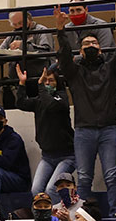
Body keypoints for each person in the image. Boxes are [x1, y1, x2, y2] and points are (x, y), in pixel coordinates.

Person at [55, 3, 116, 213]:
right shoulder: (74, 72)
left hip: (108, 129)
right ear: (80, 50)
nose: (90, 46)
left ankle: (115, 210)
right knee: (85, 177)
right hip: (84, 130)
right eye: (86, 43)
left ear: (100, 48)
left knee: (112, 175)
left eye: (94, 43)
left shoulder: (110, 68)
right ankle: (85, 214)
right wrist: (60, 30)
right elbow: (63, 55)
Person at [16, 65, 77, 201]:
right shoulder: (39, 101)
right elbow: (21, 103)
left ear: (57, 83)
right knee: (36, 190)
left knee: (51, 189)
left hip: (67, 156)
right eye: (45, 81)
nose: (47, 83)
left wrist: (40, 86)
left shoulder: (62, 99)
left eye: (51, 80)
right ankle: (43, 218)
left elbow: (50, 105)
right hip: (47, 156)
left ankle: (57, 219)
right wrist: (22, 83)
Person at [0, 11, 55, 106]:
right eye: (15, 24)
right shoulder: (13, 35)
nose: (18, 26)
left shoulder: (41, 31)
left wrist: (23, 46)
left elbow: (46, 53)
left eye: (21, 23)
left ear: (29, 20)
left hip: (37, 77)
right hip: (15, 80)